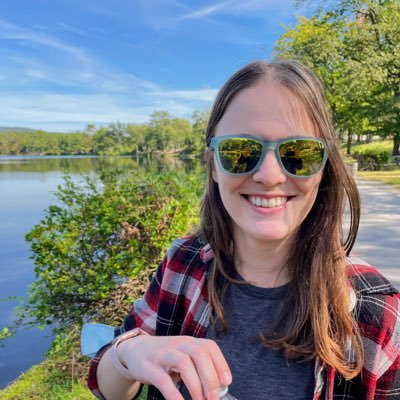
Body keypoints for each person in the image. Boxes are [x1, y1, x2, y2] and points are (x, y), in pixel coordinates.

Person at [87, 59, 400, 400]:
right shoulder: (183, 264)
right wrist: (125, 356)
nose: (270, 176)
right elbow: (109, 388)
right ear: (214, 167)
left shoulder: (378, 315)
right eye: (240, 151)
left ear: (324, 168)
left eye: (298, 153)